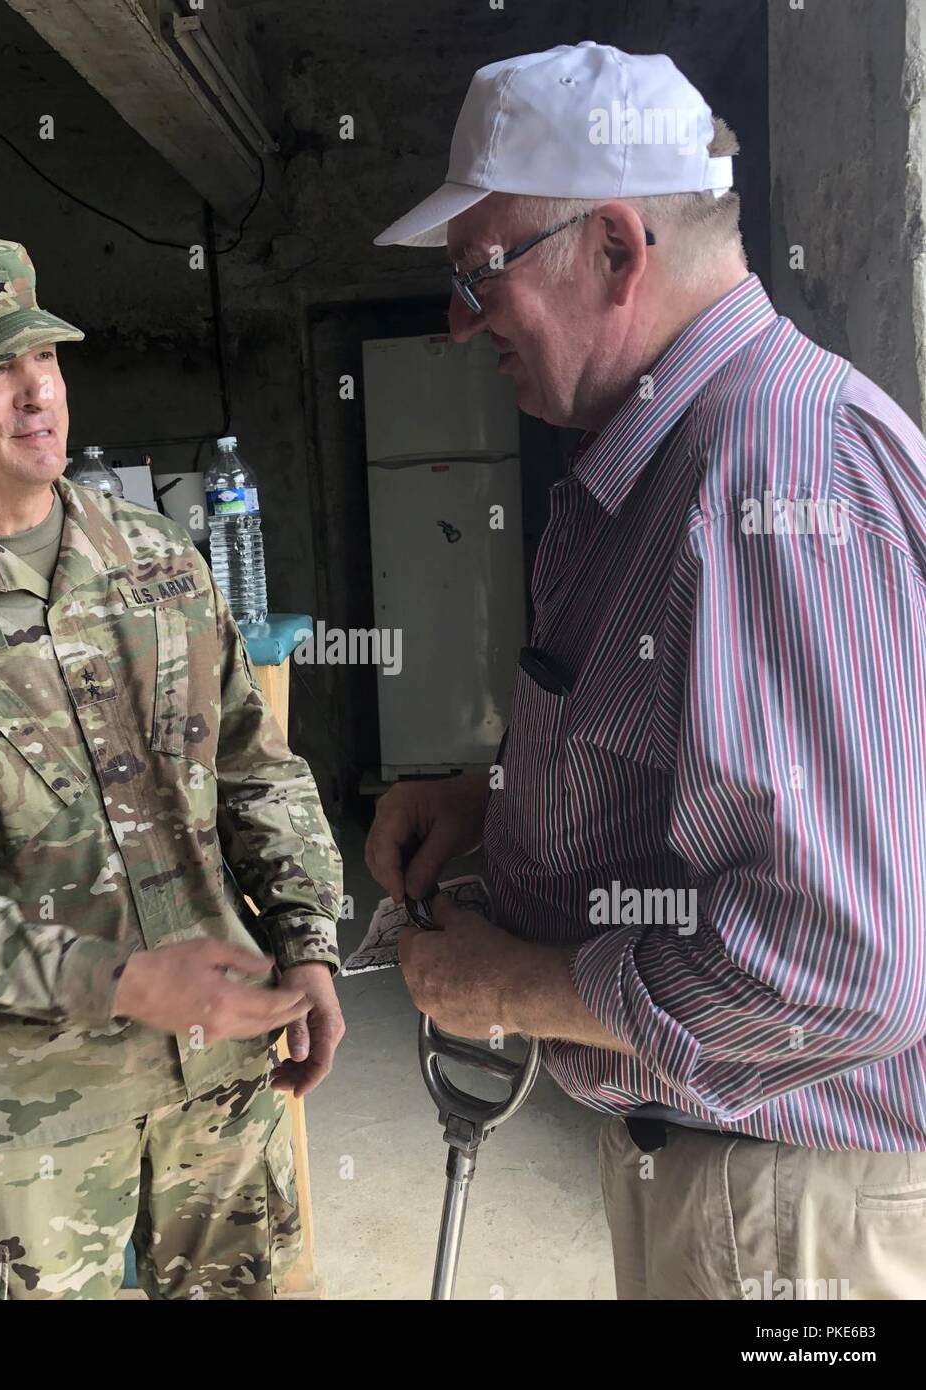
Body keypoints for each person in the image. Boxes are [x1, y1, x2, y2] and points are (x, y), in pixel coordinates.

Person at [368, 44, 926, 1299]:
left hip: (788, 1207)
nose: (458, 323)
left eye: (476, 275)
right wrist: (499, 799)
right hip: (724, 1173)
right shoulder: (667, 452)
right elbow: (695, 750)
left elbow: (839, 968)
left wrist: (505, 984)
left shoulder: (773, 475)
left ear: (616, 250)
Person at [0, 234, 345, 1300]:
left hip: (220, 1078)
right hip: (24, 1116)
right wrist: (121, 980)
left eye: (42, 355)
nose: (34, 389)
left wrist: (306, 941)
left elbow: (252, 770)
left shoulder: (158, 558)